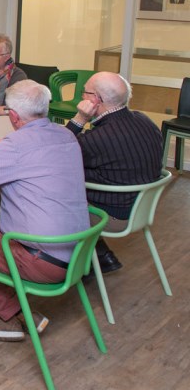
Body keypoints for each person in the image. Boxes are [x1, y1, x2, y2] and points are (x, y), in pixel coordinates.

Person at [0, 80, 89, 342]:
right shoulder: (66, 134)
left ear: (12, 116)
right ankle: (12, 302)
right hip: (78, 249)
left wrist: (1, 153)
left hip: (44, 259)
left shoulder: (14, 146)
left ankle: (13, 315)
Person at [65, 72, 162, 274]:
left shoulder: (98, 139)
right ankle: (102, 256)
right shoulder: (145, 121)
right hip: (140, 209)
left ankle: (58, 263)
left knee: (50, 192)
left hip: (114, 217)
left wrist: (80, 118)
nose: (82, 96)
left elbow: (57, 152)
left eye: (85, 92)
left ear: (94, 100)